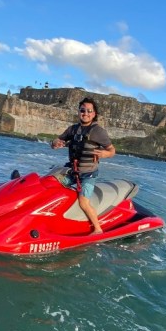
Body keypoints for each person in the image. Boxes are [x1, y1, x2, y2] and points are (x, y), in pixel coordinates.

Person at [50, 97, 115, 234]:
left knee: (83, 202)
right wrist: (55, 143)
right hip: (72, 171)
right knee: (51, 183)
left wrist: (105, 154)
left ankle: (98, 229)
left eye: (89, 111)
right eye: (82, 110)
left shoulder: (99, 132)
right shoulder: (72, 129)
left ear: (94, 114)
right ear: (79, 112)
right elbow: (56, 141)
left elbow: (112, 150)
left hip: (88, 174)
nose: (85, 113)